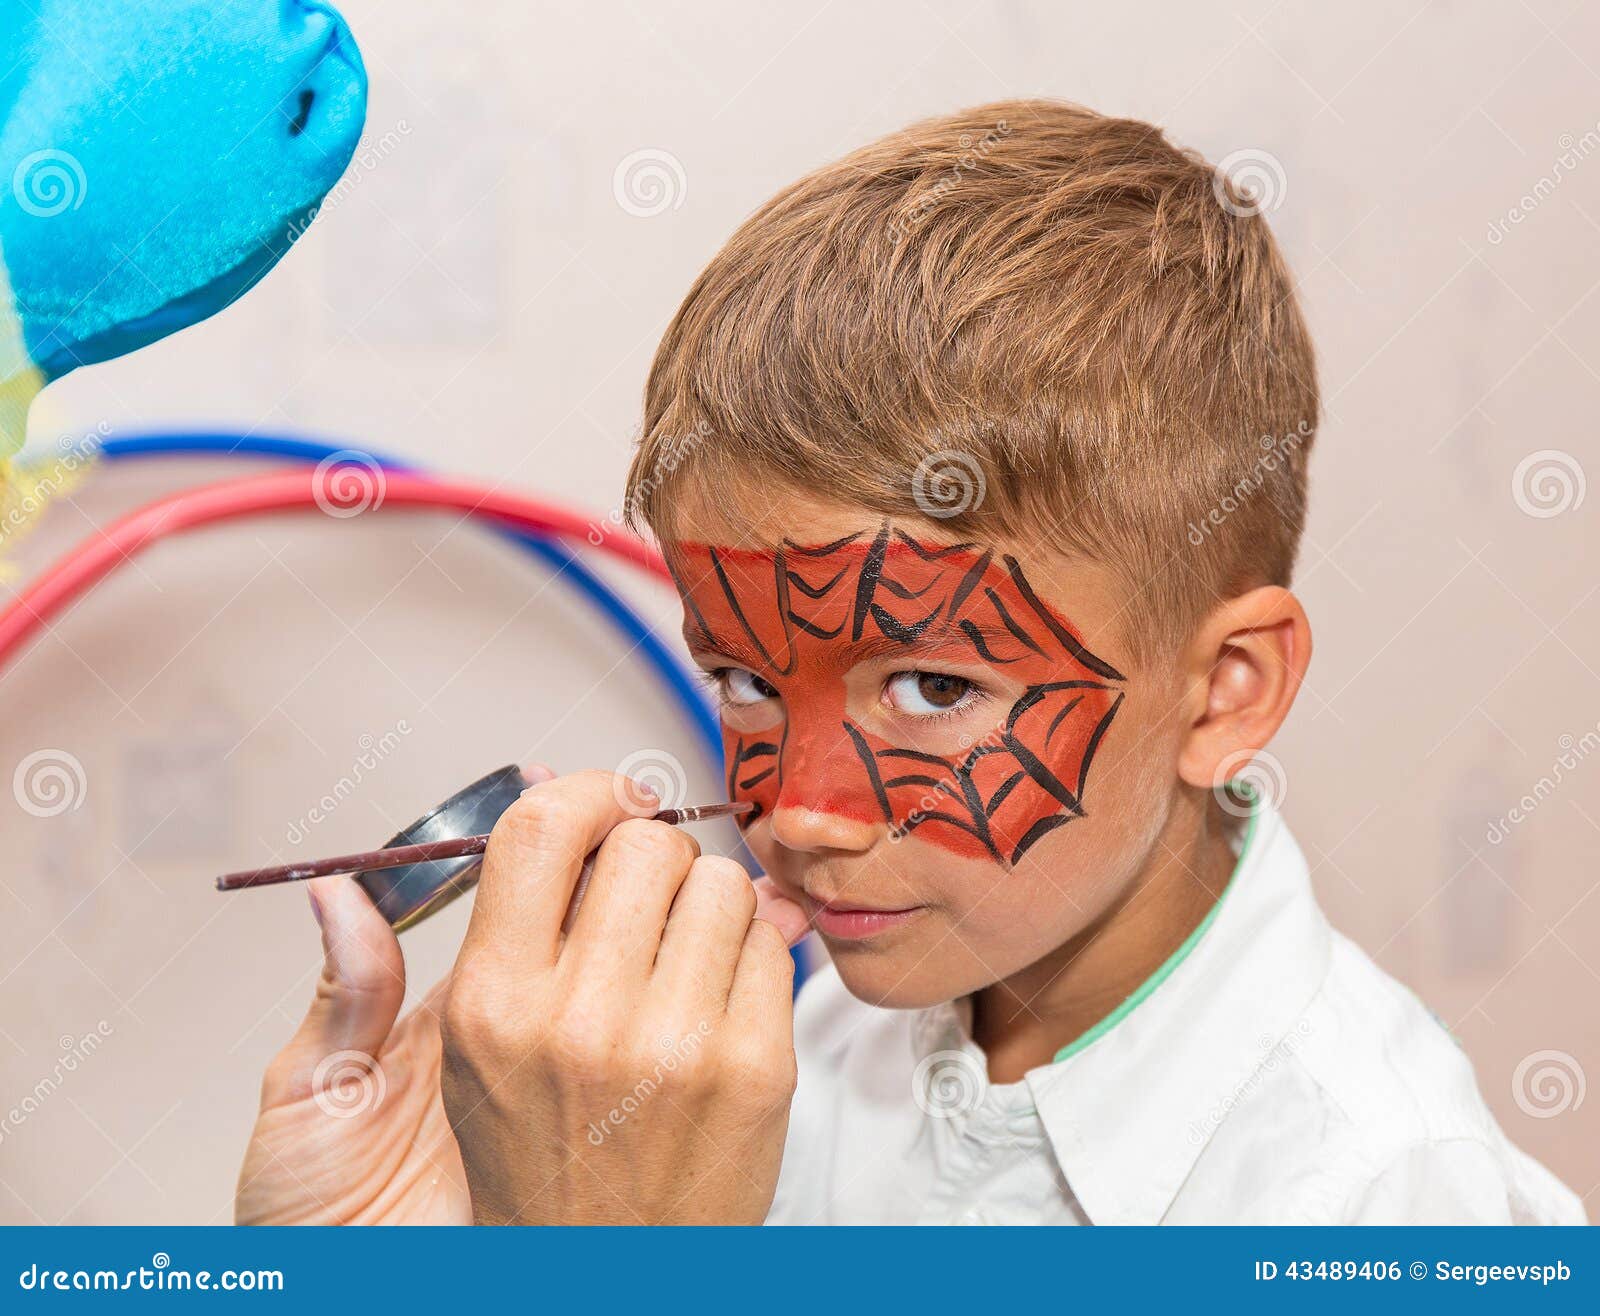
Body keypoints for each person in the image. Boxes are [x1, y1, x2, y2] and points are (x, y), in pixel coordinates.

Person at [237, 99, 1586, 1226]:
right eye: (750, 682)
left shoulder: (1386, 1199)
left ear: (1225, 691)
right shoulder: (825, 1046)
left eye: (937, 687)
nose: (799, 815)